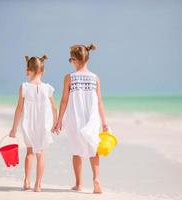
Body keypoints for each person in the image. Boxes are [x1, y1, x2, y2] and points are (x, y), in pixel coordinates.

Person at [53, 44, 108, 194]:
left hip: (75, 119)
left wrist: (59, 121)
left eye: (70, 59)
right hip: (92, 119)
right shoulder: (95, 78)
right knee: (93, 149)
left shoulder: (69, 78)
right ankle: (96, 179)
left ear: (75, 60)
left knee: (76, 151)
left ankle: (78, 184)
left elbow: (64, 101)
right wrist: (104, 122)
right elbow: (99, 102)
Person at [9, 54, 57, 192]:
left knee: (29, 152)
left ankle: (26, 181)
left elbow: (19, 109)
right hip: (43, 124)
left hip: (28, 124)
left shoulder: (24, 87)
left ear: (27, 71)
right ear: (43, 71)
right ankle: (38, 184)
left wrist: (14, 129)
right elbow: (54, 107)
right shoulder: (48, 88)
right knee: (40, 153)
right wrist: (55, 123)